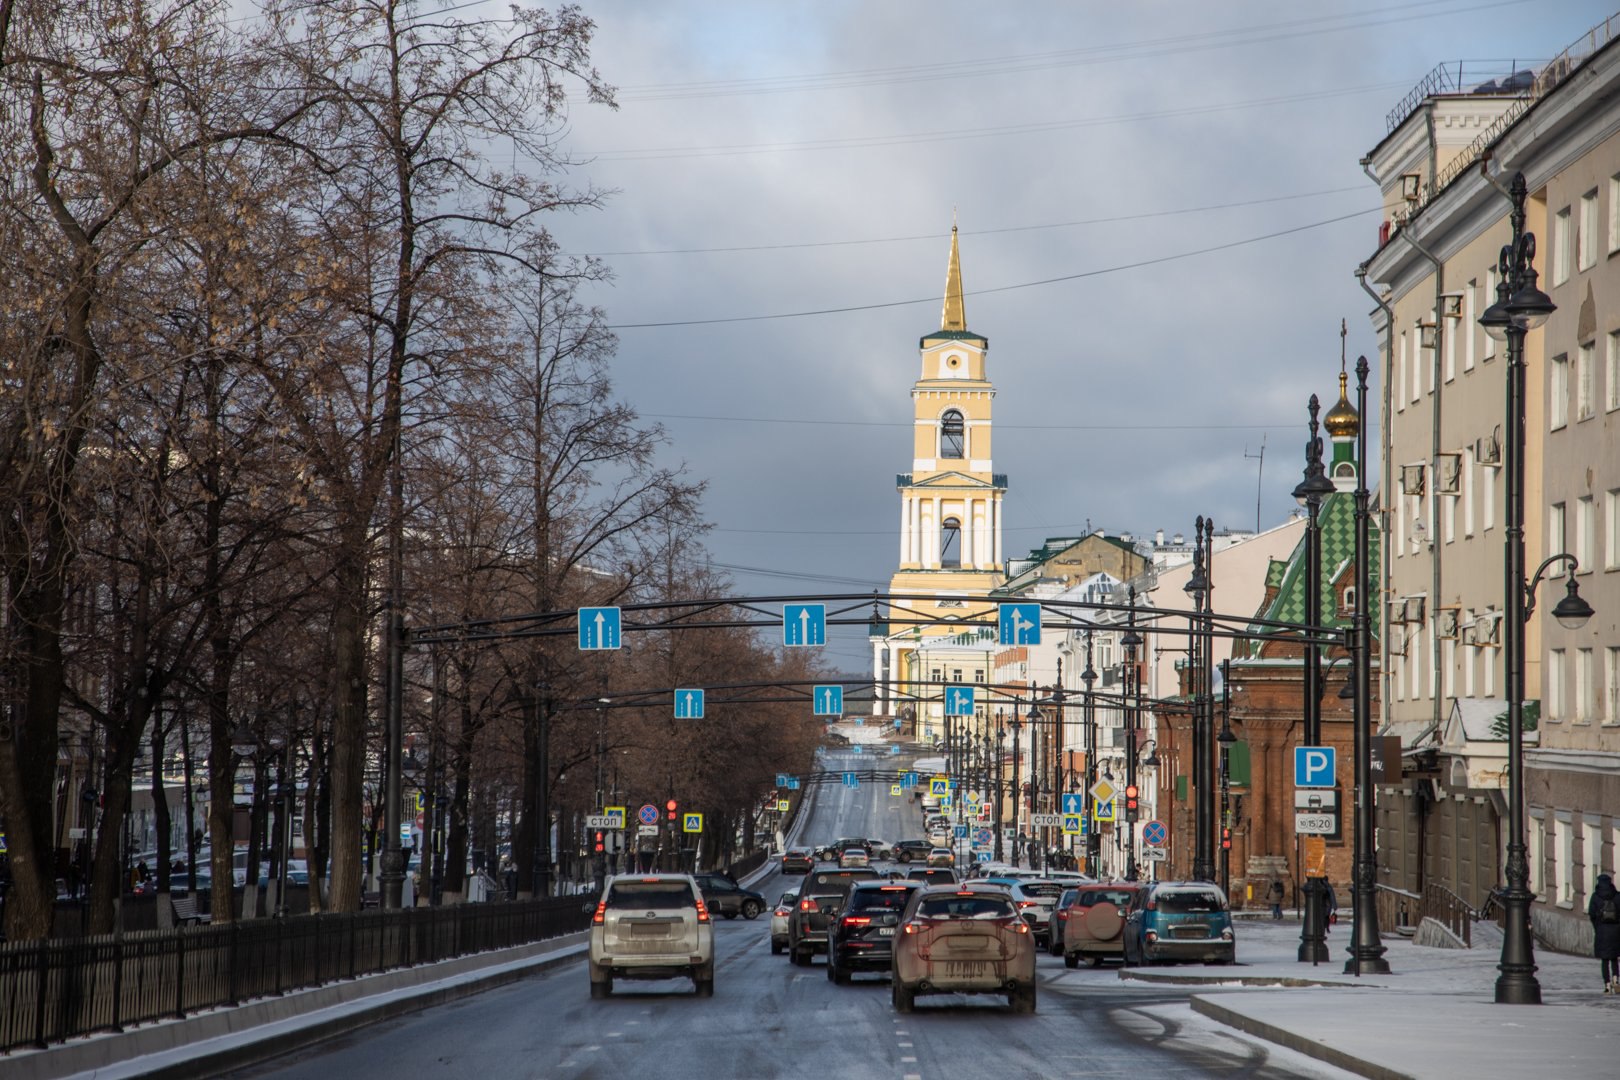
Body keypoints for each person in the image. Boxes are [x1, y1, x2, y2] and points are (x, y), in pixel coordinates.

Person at [1588, 872, 1620, 992]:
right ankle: (1616, 979)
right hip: (1616, 931)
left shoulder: (1596, 896)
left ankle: (1607, 985)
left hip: (1602, 931)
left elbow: (1591, 913)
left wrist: (1598, 926)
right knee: (1614, 958)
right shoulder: (1617, 896)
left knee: (1604, 959)